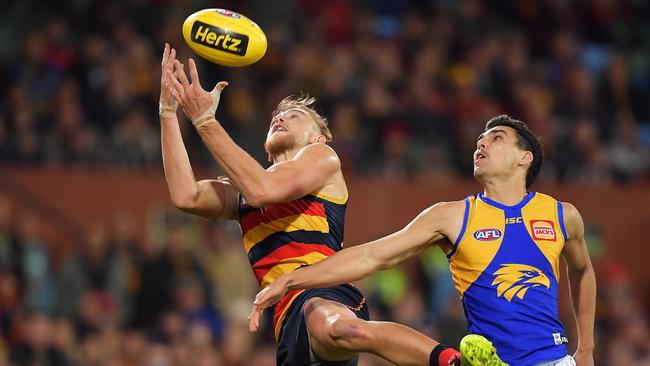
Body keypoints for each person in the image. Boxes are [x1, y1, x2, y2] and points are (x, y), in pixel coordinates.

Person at [158, 44, 502, 366]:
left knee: (341, 328)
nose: (280, 117)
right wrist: (169, 112)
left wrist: (205, 121)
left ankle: (453, 361)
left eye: (294, 115)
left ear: (317, 137)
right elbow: (185, 195)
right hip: (285, 320)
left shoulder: (321, 157)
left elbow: (263, 188)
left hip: (323, 291)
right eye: (276, 117)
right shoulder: (244, 191)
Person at [251, 115, 596, 366]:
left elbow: (582, 271)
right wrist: (292, 279)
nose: (481, 143)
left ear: (525, 158)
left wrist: (587, 350)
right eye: (480, 139)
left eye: (496, 138)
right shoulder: (451, 216)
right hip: (485, 362)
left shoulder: (562, 215)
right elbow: (373, 256)